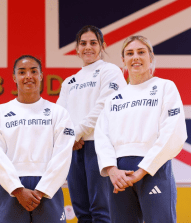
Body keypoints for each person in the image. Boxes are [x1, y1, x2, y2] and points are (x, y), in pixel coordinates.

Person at [94, 35, 187, 223]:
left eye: (141, 52)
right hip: (119, 175)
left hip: (154, 169)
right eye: (130, 53)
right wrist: (112, 170)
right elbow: (102, 136)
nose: (135, 57)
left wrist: (141, 171)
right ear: (123, 60)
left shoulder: (165, 87)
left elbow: (173, 132)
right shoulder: (114, 99)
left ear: (151, 57)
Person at [0, 55, 75, 222]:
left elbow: (63, 155)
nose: (28, 76)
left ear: (41, 76)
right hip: (11, 188)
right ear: (14, 77)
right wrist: (18, 190)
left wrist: (41, 191)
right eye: (22, 72)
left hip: (49, 189)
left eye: (34, 71)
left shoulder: (58, 113)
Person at [56, 25, 127, 222]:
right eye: (83, 43)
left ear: (103, 46)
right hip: (74, 149)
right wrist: (70, 138)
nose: (88, 47)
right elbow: (59, 115)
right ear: (76, 49)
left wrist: (74, 134)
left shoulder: (110, 71)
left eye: (93, 43)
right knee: (81, 210)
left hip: (98, 146)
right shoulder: (69, 81)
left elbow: (103, 107)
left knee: (102, 210)